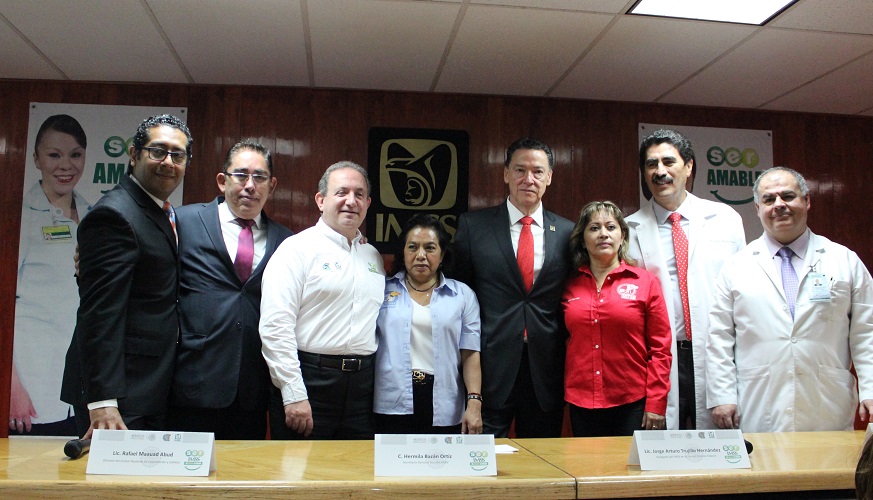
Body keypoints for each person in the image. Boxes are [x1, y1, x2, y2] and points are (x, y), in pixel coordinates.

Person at [706, 166, 873, 432]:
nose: (779, 205)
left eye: (788, 196)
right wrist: (722, 396)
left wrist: (870, 389)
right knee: (765, 459)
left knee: (828, 459)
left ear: (806, 201)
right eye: (769, 199)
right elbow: (719, 337)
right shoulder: (736, 267)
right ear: (757, 208)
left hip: (826, 401)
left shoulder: (844, 260)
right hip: (759, 401)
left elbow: (867, 332)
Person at [60, 114, 191, 438]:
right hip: (118, 396)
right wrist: (103, 400)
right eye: (158, 151)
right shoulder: (114, 215)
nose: (168, 162)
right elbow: (99, 312)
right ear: (133, 154)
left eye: (178, 154)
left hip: (149, 386)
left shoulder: (158, 212)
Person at [168, 141, 293, 439]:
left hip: (251, 389)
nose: (250, 185)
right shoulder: (184, 221)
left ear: (272, 185)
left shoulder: (286, 242)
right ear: (222, 180)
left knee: (243, 467)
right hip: (193, 381)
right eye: (241, 175)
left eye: (259, 177)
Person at [451, 137, 574, 438]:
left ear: (549, 177)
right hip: (490, 369)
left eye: (537, 171)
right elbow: (459, 296)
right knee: (480, 458)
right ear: (506, 174)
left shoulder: (568, 232)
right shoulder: (473, 227)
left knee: (542, 459)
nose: (528, 179)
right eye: (520, 170)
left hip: (545, 370)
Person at [626, 129, 745, 430]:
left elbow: (742, 294)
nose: (660, 171)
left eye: (669, 162)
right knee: (662, 447)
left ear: (689, 166)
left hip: (715, 353)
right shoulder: (627, 231)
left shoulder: (725, 219)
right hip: (659, 359)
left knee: (718, 446)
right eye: (651, 164)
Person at [260, 161, 385, 440]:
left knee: (357, 466)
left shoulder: (372, 256)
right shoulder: (296, 250)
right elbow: (275, 326)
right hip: (309, 383)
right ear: (320, 200)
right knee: (301, 465)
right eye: (341, 192)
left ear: (367, 203)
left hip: (363, 390)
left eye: (359, 194)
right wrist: (293, 393)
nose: (351, 201)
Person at [10, 114, 92, 436]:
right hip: (31, 392)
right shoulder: (19, 218)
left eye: (75, 154)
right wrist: (10, 387)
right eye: (54, 155)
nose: (65, 165)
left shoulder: (92, 213)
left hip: (79, 389)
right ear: (36, 159)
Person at [563, 201, 672, 436]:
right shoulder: (568, 285)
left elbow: (660, 350)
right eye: (594, 228)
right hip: (582, 402)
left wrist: (656, 402)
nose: (603, 234)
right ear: (582, 239)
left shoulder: (645, 282)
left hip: (632, 401)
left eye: (611, 227)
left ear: (622, 236)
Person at [373, 214, 483, 434]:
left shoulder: (462, 295)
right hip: (392, 399)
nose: (421, 255)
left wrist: (474, 401)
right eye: (413, 247)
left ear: (442, 255)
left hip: (444, 401)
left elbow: (470, 353)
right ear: (403, 252)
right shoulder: (381, 290)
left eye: (430, 248)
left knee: (441, 457)